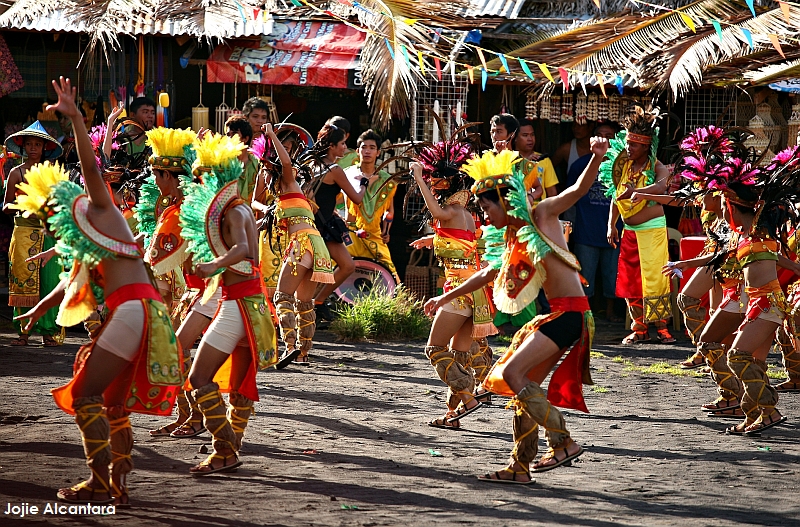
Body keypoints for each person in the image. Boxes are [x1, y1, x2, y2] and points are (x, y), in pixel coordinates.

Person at [14, 77, 182, 505]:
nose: (54, 216)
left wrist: (73, 119)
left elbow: (90, 170)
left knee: (87, 394)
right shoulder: (90, 238)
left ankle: (101, 481)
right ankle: (116, 484)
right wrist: (38, 310)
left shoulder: (102, 209)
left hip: (132, 312)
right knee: (111, 401)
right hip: (144, 311)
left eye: (53, 207)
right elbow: (75, 283)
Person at [426, 140, 607, 483]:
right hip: (558, 315)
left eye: (486, 207)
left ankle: (563, 442)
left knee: (512, 376)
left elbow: (578, 190)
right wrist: (443, 299)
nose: (483, 216)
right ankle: (519, 468)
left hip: (571, 315)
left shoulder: (541, 214)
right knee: (519, 385)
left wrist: (596, 157)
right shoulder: (513, 237)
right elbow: (486, 273)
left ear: (505, 201)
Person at [179, 131, 277, 474]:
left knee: (199, 375)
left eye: (203, 175)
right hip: (244, 301)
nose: (200, 182)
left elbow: (244, 252)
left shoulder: (235, 211)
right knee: (238, 379)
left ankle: (225, 450)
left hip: (239, 305)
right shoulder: (240, 207)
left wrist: (213, 265)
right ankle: (227, 446)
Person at [407, 135, 496, 429]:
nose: (432, 186)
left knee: (434, 349)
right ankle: (451, 415)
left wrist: (419, 177)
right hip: (475, 293)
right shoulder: (467, 215)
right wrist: (430, 240)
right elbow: (464, 244)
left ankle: (469, 398)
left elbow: (437, 212)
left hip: (459, 291)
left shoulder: (453, 211)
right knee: (459, 354)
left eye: (434, 182)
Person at [131, 127, 206, 439]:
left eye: (156, 174)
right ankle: (187, 415)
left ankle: (198, 417)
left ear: (168, 176)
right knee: (179, 350)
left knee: (177, 349)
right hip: (190, 290)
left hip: (201, 291)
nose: (154, 179)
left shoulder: (178, 211)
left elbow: (156, 261)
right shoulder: (175, 207)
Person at [257, 123, 335, 368]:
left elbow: (287, 164)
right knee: (304, 303)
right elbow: (255, 203)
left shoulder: (290, 182)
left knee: (282, 296)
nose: (267, 174)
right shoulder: (288, 194)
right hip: (316, 245)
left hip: (301, 244)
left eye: (269, 170)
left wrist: (271, 135)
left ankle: (289, 347)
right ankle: (303, 353)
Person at [600, 105, 675, 344]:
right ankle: (639, 328)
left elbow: (662, 187)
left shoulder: (657, 166)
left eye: (633, 145)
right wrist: (611, 225)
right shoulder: (622, 166)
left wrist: (639, 192)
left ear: (645, 146)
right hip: (629, 231)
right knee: (632, 280)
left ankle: (662, 328)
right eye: (628, 143)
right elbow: (615, 195)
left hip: (652, 230)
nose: (628, 148)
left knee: (655, 277)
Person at [3, 121, 64, 346]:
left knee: (49, 283)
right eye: (29, 144)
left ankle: (49, 332)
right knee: (22, 281)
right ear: (22, 146)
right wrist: (25, 206)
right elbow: (5, 205)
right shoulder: (15, 173)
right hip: (23, 231)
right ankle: (23, 332)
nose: (33, 148)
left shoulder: (52, 174)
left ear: (45, 148)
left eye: (37, 144)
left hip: (48, 234)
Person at [307, 124, 367, 330]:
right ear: (332, 146)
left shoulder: (313, 166)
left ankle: (313, 304)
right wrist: (365, 182)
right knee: (347, 266)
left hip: (311, 224)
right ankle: (317, 303)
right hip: (324, 229)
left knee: (313, 271)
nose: (345, 148)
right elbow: (357, 199)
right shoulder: (335, 169)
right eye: (342, 143)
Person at [568, 123, 621, 322]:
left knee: (612, 274)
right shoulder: (580, 165)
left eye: (608, 136)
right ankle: (584, 314)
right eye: (599, 135)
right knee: (585, 276)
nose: (603, 140)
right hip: (585, 231)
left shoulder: (622, 166)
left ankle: (610, 312)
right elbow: (569, 199)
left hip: (614, 231)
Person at [344, 129, 400, 282]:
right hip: (350, 233)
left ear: (378, 152)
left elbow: (389, 209)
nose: (367, 151)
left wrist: (386, 230)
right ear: (357, 151)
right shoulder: (346, 174)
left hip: (375, 235)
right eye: (364, 147)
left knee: (391, 278)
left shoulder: (387, 180)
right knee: (337, 273)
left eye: (372, 147)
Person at [514, 118, 559, 198]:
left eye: (532, 135)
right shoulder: (509, 160)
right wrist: (526, 163)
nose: (530, 139)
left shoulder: (543, 160)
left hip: (540, 209)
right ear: (515, 138)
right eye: (525, 135)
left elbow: (552, 193)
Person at [226, 115, 261, 202]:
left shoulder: (259, 164)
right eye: (228, 135)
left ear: (245, 139)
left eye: (233, 134)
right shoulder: (223, 163)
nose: (229, 139)